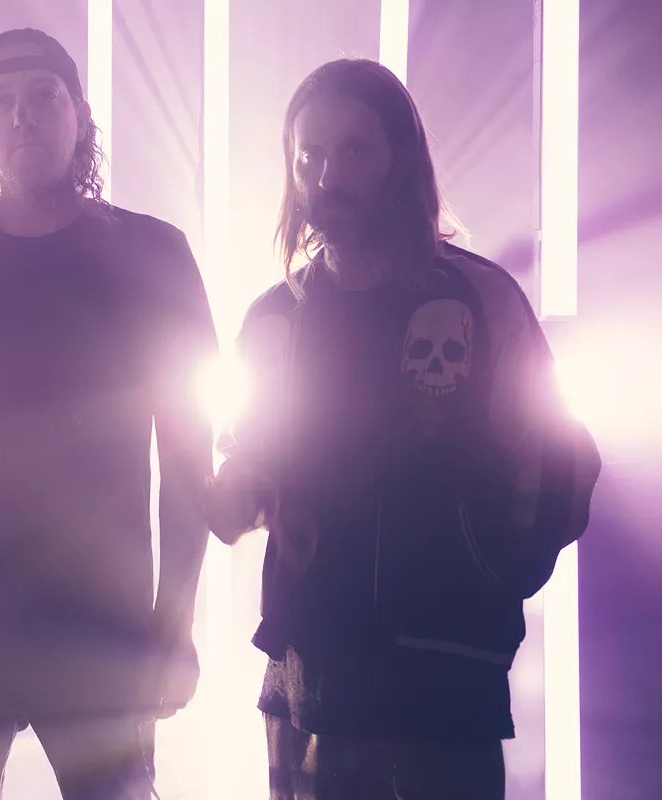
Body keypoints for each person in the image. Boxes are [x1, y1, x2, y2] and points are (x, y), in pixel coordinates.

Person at [204, 58, 601, 800]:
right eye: (309, 155)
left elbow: (561, 466)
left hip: (443, 681)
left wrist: (486, 568)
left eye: (355, 149)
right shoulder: (275, 317)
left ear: (401, 159)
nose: (328, 176)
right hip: (310, 675)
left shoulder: (478, 299)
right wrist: (235, 498)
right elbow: (251, 474)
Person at [0, 27, 217, 800]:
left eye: (44, 97)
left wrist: (174, 620)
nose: (22, 116)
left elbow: (189, 452)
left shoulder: (151, 253)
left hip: (99, 617)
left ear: (80, 115)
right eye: (2, 101)